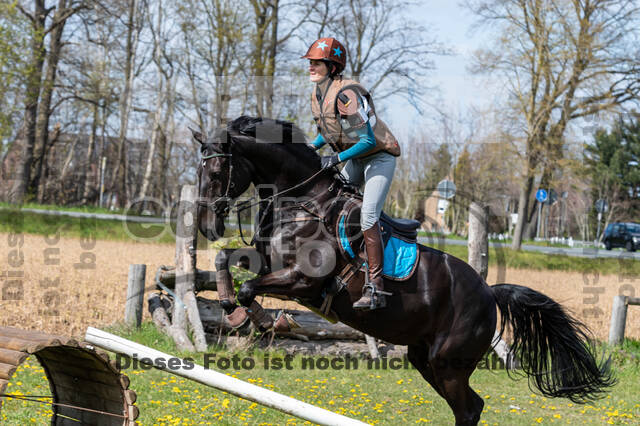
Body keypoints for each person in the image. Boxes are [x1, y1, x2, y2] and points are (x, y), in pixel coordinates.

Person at [302, 37, 401, 310]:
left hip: (378, 157)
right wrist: (312, 147)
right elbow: (328, 131)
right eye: (310, 62)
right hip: (355, 158)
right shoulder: (319, 94)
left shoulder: (347, 94)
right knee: (329, 206)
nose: (310, 66)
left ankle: (377, 286)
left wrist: (335, 158)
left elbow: (368, 140)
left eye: (316, 63)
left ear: (332, 66)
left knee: (368, 215)